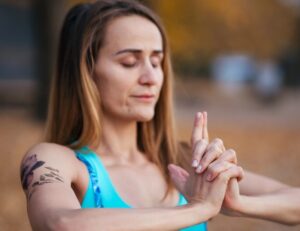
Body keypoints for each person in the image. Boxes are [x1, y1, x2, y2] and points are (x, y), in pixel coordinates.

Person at [20, 0, 300, 230]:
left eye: (157, 61)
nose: (151, 76)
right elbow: (60, 223)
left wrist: (237, 204)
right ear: (87, 71)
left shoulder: (184, 162)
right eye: (129, 62)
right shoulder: (57, 160)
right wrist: (197, 209)